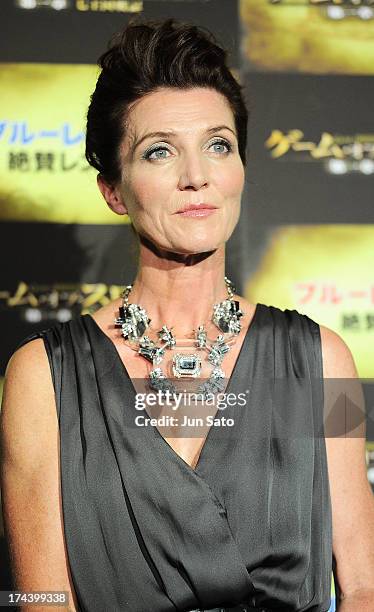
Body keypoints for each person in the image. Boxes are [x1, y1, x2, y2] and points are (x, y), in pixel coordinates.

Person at [1, 17, 374, 612]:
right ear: (114, 189)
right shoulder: (41, 377)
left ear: (242, 168)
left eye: (218, 144)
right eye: (159, 152)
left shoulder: (326, 359)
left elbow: (364, 582)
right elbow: (37, 596)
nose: (196, 175)